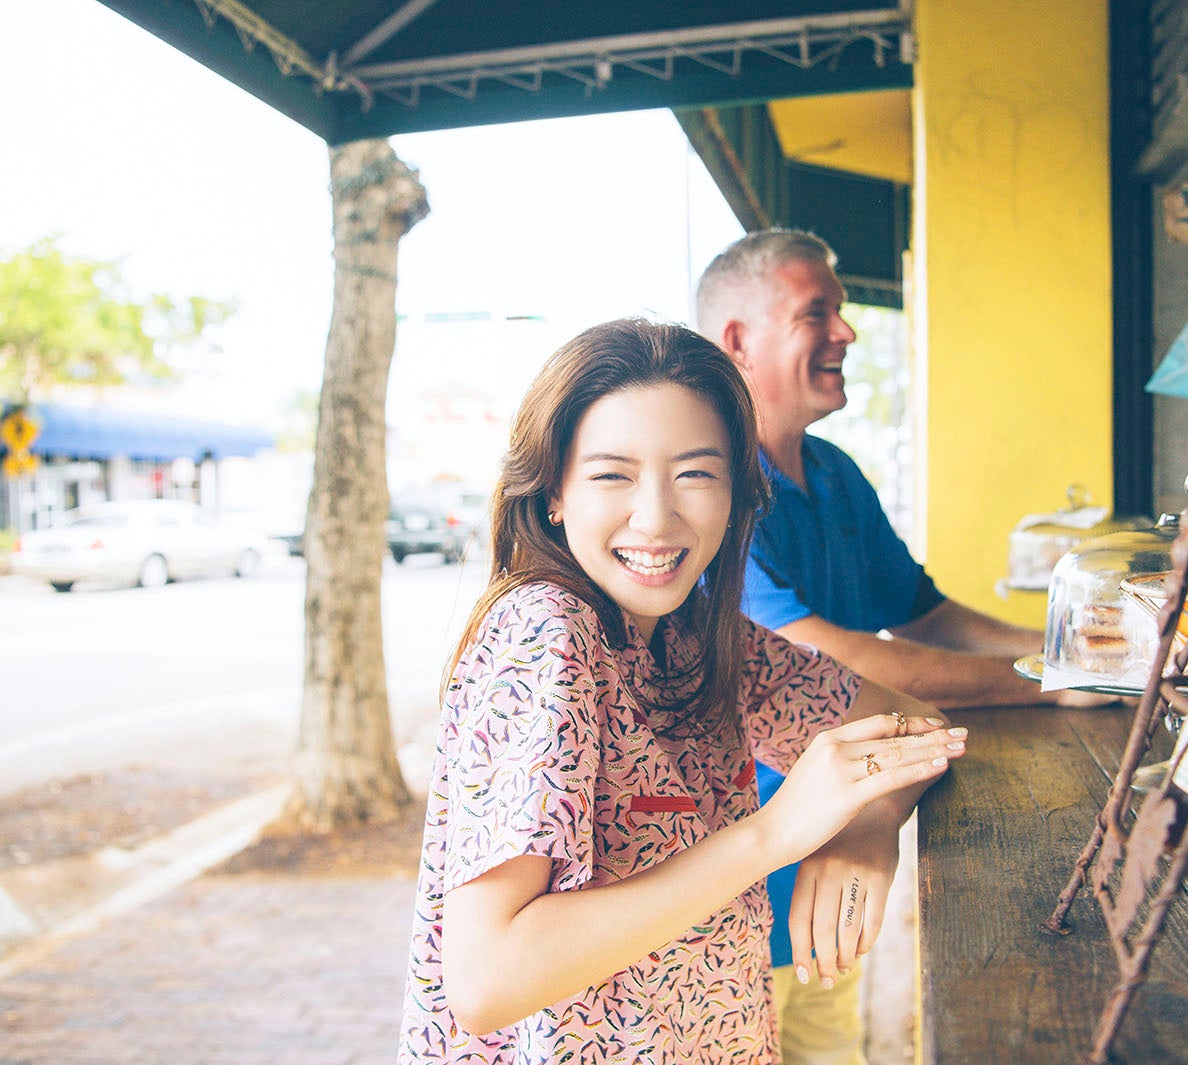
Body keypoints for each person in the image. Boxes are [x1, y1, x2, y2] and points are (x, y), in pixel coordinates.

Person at [397, 318, 968, 1064]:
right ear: (554, 493)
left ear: (735, 492)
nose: (656, 517)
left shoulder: (694, 633)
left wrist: (862, 828)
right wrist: (775, 834)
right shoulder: (545, 634)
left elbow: (915, 726)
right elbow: (486, 976)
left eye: (696, 473)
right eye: (612, 474)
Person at [696, 229, 1104, 1065]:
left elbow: (921, 614)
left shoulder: (833, 472)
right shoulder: (712, 494)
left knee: (825, 1044)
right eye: (819, 313)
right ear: (737, 340)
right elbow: (840, 662)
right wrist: (1053, 679)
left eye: (841, 312)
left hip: (842, 850)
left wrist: (1075, 649)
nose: (846, 332)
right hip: (734, 885)